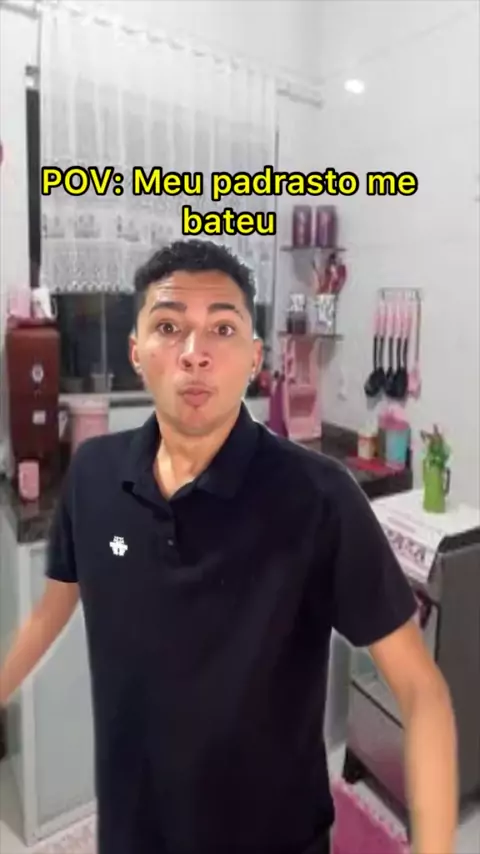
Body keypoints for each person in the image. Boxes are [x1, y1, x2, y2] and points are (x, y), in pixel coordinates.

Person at [0, 239, 457, 854]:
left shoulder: (319, 499)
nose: (194, 353)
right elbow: (48, 614)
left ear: (254, 357)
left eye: (222, 328)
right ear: (136, 351)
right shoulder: (93, 476)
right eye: (169, 327)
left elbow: (422, 693)